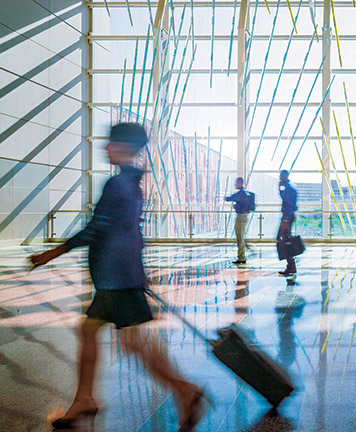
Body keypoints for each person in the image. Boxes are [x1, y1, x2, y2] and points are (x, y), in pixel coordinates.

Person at [29, 123, 206, 431]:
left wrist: (51, 254)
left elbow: (98, 229)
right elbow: (131, 233)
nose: (106, 147)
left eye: (112, 143)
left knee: (136, 346)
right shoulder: (131, 184)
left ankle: (186, 391)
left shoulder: (118, 185)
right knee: (92, 333)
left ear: (124, 147)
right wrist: (140, 272)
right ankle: (84, 399)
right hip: (118, 278)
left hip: (116, 281)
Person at [225, 177, 253, 264]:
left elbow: (230, 198)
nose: (235, 184)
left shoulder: (241, 193)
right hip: (244, 216)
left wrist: (226, 198)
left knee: (240, 237)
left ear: (241, 183)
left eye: (236, 183)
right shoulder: (246, 194)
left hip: (241, 217)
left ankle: (242, 257)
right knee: (240, 237)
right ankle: (242, 255)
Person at [277, 169, 298, 276]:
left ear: (285, 176)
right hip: (287, 216)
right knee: (284, 239)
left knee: (284, 240)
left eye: (281, 176)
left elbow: (289, 203)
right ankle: (290, 265)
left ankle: (291, 265)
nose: (280, 178)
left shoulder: (288, 188)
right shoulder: (289, 187)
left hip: (287, 217)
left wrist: (286, 219)